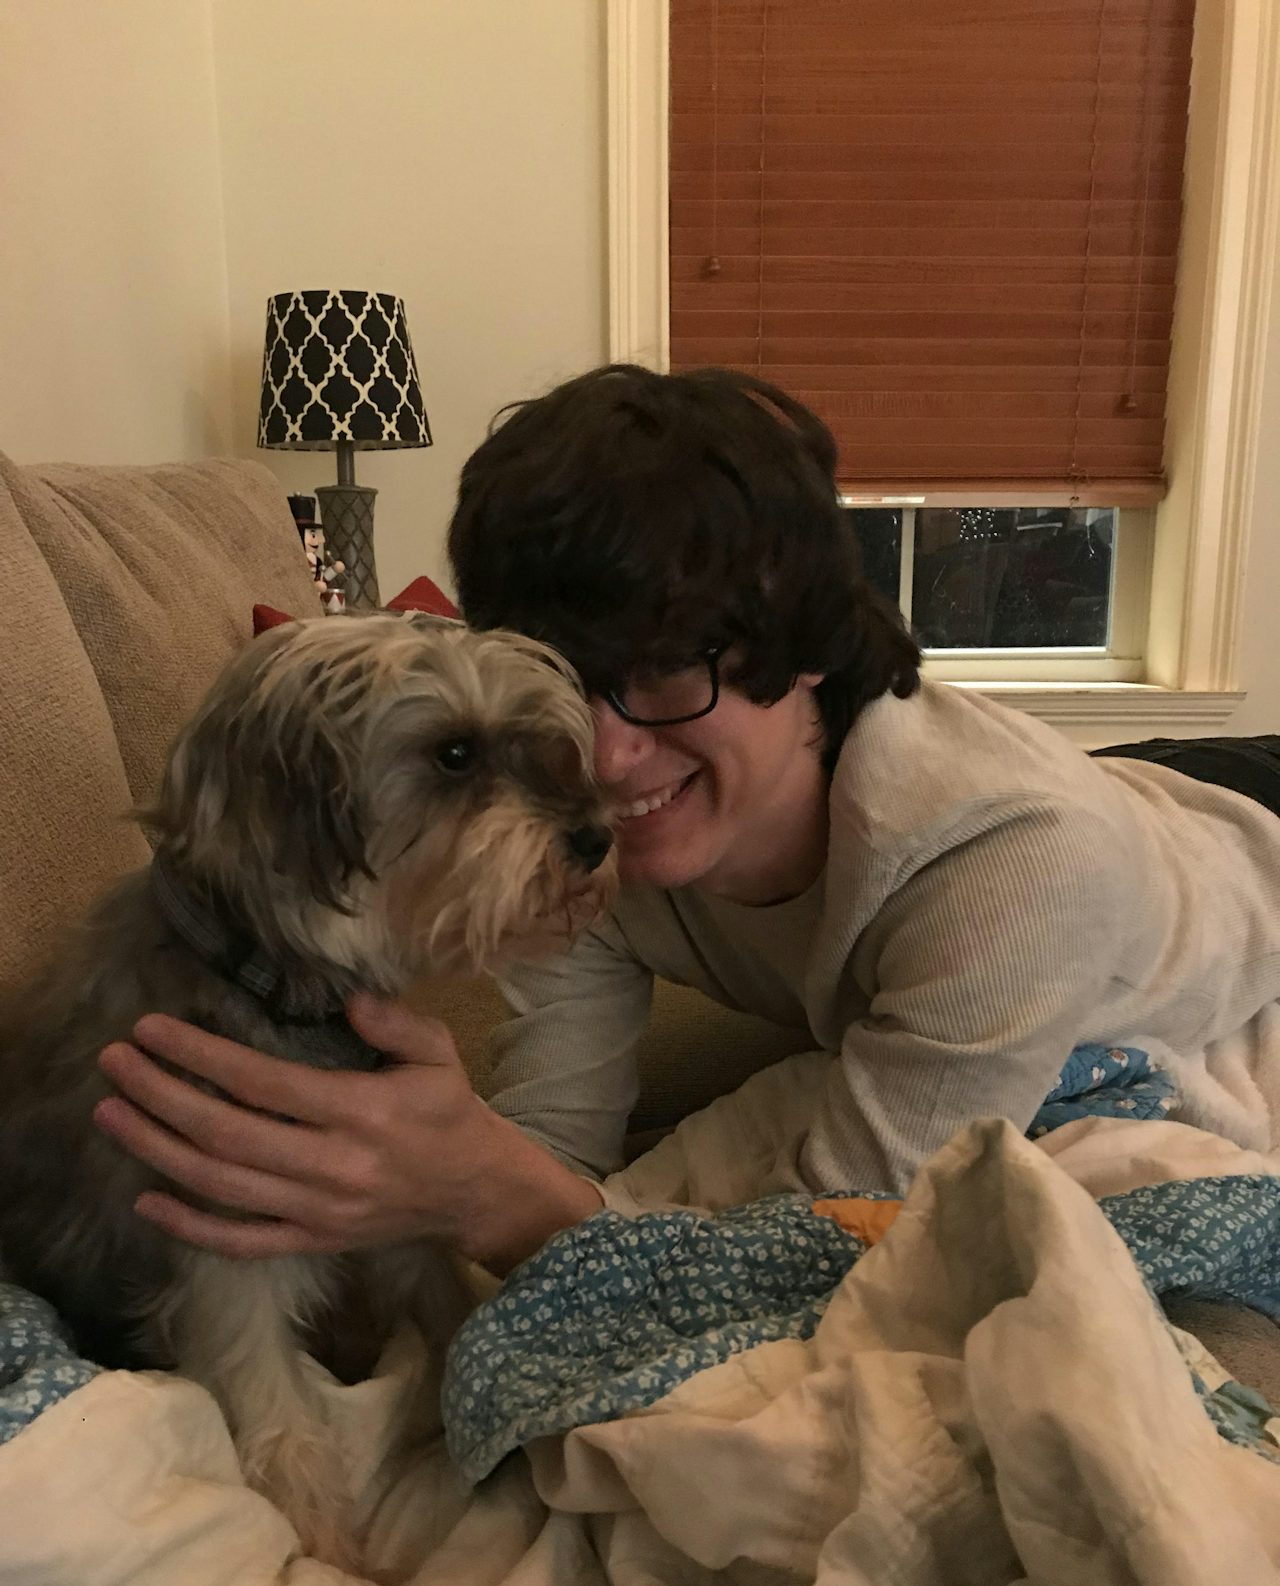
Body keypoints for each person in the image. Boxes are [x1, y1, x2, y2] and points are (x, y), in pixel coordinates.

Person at [94, 365, 1280, 1277]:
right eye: (566, 677)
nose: (605, 758)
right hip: (1122, 793)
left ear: (806, 644)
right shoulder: (584, 836)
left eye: (666, 674)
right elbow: (558, 1133)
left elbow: (846, 1245)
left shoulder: (1014, 871)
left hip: (1233, 841)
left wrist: (486, 1193)